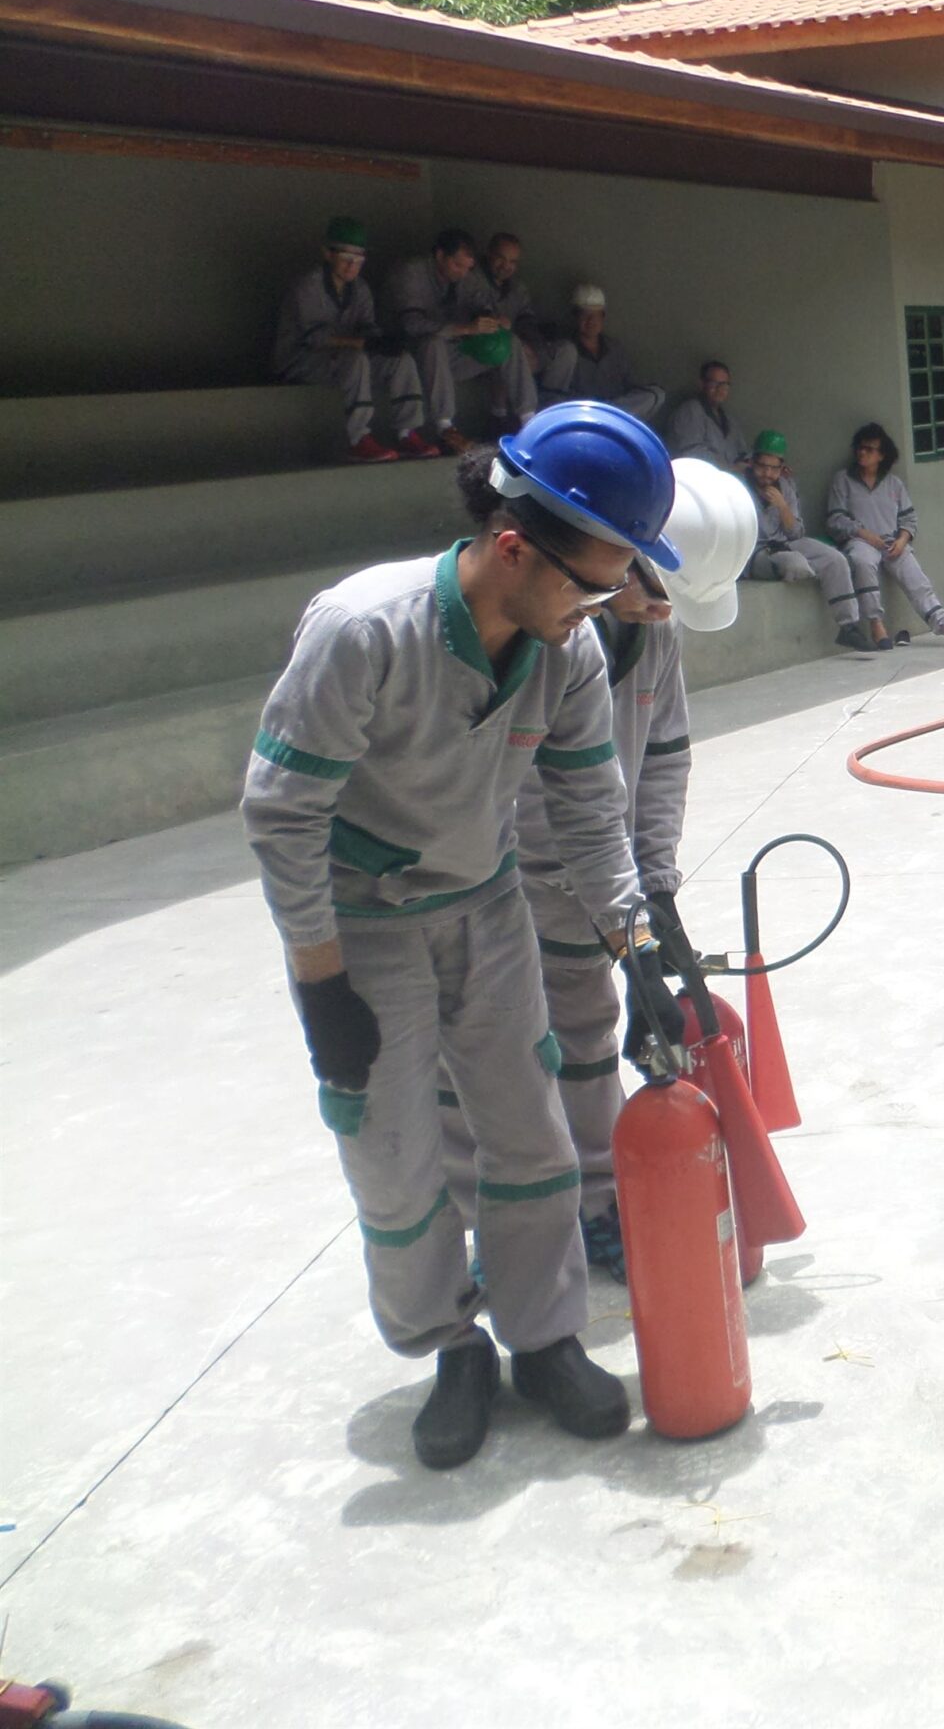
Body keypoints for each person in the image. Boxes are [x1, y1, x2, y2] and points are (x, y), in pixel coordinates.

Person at [240, 402, 694, 1471]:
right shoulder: (365, 631)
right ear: (512, 546)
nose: (598, 611)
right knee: (394, 1153)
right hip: (364, 924)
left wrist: (639, 958)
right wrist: (322, 985)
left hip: (487, 907)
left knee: (530, 1131)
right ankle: (452, 1346)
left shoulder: (564, 654)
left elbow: (589, 813)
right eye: (589, 586)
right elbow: (282, 813)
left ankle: (545, 1337)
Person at [439, 457, 758, 1282]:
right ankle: (486, 1231)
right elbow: (530, 797)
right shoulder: (531, 635)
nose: (661, 611)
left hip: (595, 880)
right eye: (653, 591)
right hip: (501, 878)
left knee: (584, 1043)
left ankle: (592, 1203)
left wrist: (654, 891)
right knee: (481, 1058)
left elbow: (664, 757)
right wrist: (613, 904)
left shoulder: (654, 636)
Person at [269, 215, 428, 464]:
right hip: (301, 360)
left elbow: (367, 330)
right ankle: (359, 439)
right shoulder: (308, 286)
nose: (352, 266)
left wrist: (385, 341)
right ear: (327, 254)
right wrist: (363, 344)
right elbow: (315, 338)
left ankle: (407, 433)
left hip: (345, 358)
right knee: (355, 359)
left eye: (359, 259)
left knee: (401, 359)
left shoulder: (361, 289)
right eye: (346, 258)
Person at [385, 229, 538, 454]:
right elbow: (411, 325)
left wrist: (494, 321)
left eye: (467, 267)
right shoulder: (412, 272)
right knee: (433, 343)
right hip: (410, 358)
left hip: (453, 355)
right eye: (457, 265)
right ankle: (445, 428)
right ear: (440, 256)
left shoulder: (468, 276)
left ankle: (529, 422)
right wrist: (465, 329)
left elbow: (481, 305)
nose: (463, 273)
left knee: (510, 342)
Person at [826, 422, 944, 649]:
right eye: (860, 447)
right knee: (862, 562)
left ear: (882, 455)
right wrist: (864, 533)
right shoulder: (843, 479)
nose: (863, 453)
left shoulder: (894, 483)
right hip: (860, 540)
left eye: (869, 449)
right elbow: (835, 519)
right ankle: (876, 623)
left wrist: (902, 540)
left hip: (892, 542)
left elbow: (909, 519)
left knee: (916, 579)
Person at [743, 432, 870, 650]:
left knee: (835, 558)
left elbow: (796, 533)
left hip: (786, 542)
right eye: (762, 466)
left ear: (782, 468)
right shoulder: (739, 486)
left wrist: (782, 506)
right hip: (755, 552)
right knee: (796, 564)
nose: (767, 473)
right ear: (752, 463)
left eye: (774, 468)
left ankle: (848, 626)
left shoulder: (785, 486)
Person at [541, 284, 664, 420]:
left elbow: (632, 388)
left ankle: (608, 414)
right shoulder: (565, 351)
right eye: (585, 315)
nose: (591, 321)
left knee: (656, 394)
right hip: (580, 415)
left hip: (614, 413)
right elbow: (550, 398)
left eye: (596, 315)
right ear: (575, 317)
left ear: (603, 317)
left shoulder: (614, 349)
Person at [663, 361, 749, 468]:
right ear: (702, 384)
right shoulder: (690, 410)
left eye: (724, 385)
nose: (720, 389)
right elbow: (692, 454)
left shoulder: (729, 420)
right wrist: (730, 468)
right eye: (714, 384)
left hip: (727, 476)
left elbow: (742, 453)